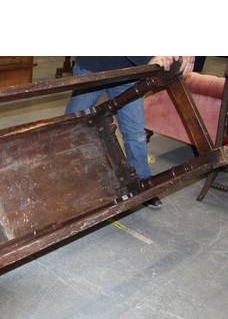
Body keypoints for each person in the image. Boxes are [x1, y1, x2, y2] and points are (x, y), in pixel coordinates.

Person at [65, 56, 195, 209]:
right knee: (68, 130)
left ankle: (142, 184)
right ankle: (64, 181)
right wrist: (149, 57)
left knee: (135, 133)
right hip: (93, 68)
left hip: (128, 71)